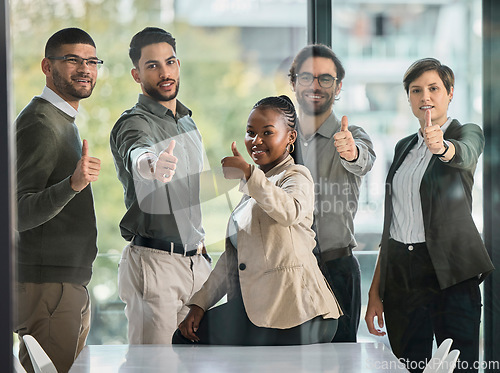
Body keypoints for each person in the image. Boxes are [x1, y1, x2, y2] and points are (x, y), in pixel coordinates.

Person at [172, 95, 342, 346]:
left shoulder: (296, 176)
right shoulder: (253, 190)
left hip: (302, 313)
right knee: (185, 337)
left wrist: (248, 173)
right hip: (261, 310)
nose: (256, 141)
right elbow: (232, 261)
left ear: (290, 138)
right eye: (250, 132)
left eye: (267, 132)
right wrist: (199, 303)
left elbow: (289, 211)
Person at [365, 58, 494, 373]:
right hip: (401, 274)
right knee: (409, 365)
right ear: (408, 98)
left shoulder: (467, 132)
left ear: (449, 93)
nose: (425, 96)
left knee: (460, 366)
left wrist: (444, 148)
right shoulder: (403, 146)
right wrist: (375, 292)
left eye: (434, 88)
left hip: (451, 272)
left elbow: (465, 154)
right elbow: (393, 225)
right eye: (416, 90)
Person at [110, 27, 212, 345]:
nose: (164, 72)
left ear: (178, 65)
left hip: (197, 264)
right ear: (136, 74)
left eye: (169, 62)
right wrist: (151, 165)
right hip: (155, 265)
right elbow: (136, 151)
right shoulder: (134, 122)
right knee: (153, 366)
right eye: (152, 65)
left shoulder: (187, 121)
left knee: (197, 364)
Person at [14, 28, 102, 373]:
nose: (85, 68)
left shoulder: (62, 119)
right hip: (47, 288)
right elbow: (18, 212)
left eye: (92, 61)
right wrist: (74, 184)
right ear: (47, 67)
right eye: (72, 60)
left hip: (63, 285)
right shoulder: (39, 122)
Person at [289, 44, 376, 342]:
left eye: (325, 79)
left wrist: (350, 152)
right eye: (306, 77)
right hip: (288, 272)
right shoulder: (280, 139)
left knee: (340, 361)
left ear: (338, 87)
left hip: (337, 270)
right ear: (294, 82)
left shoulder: (352, 135)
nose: (315, 85)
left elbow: (363, 159)